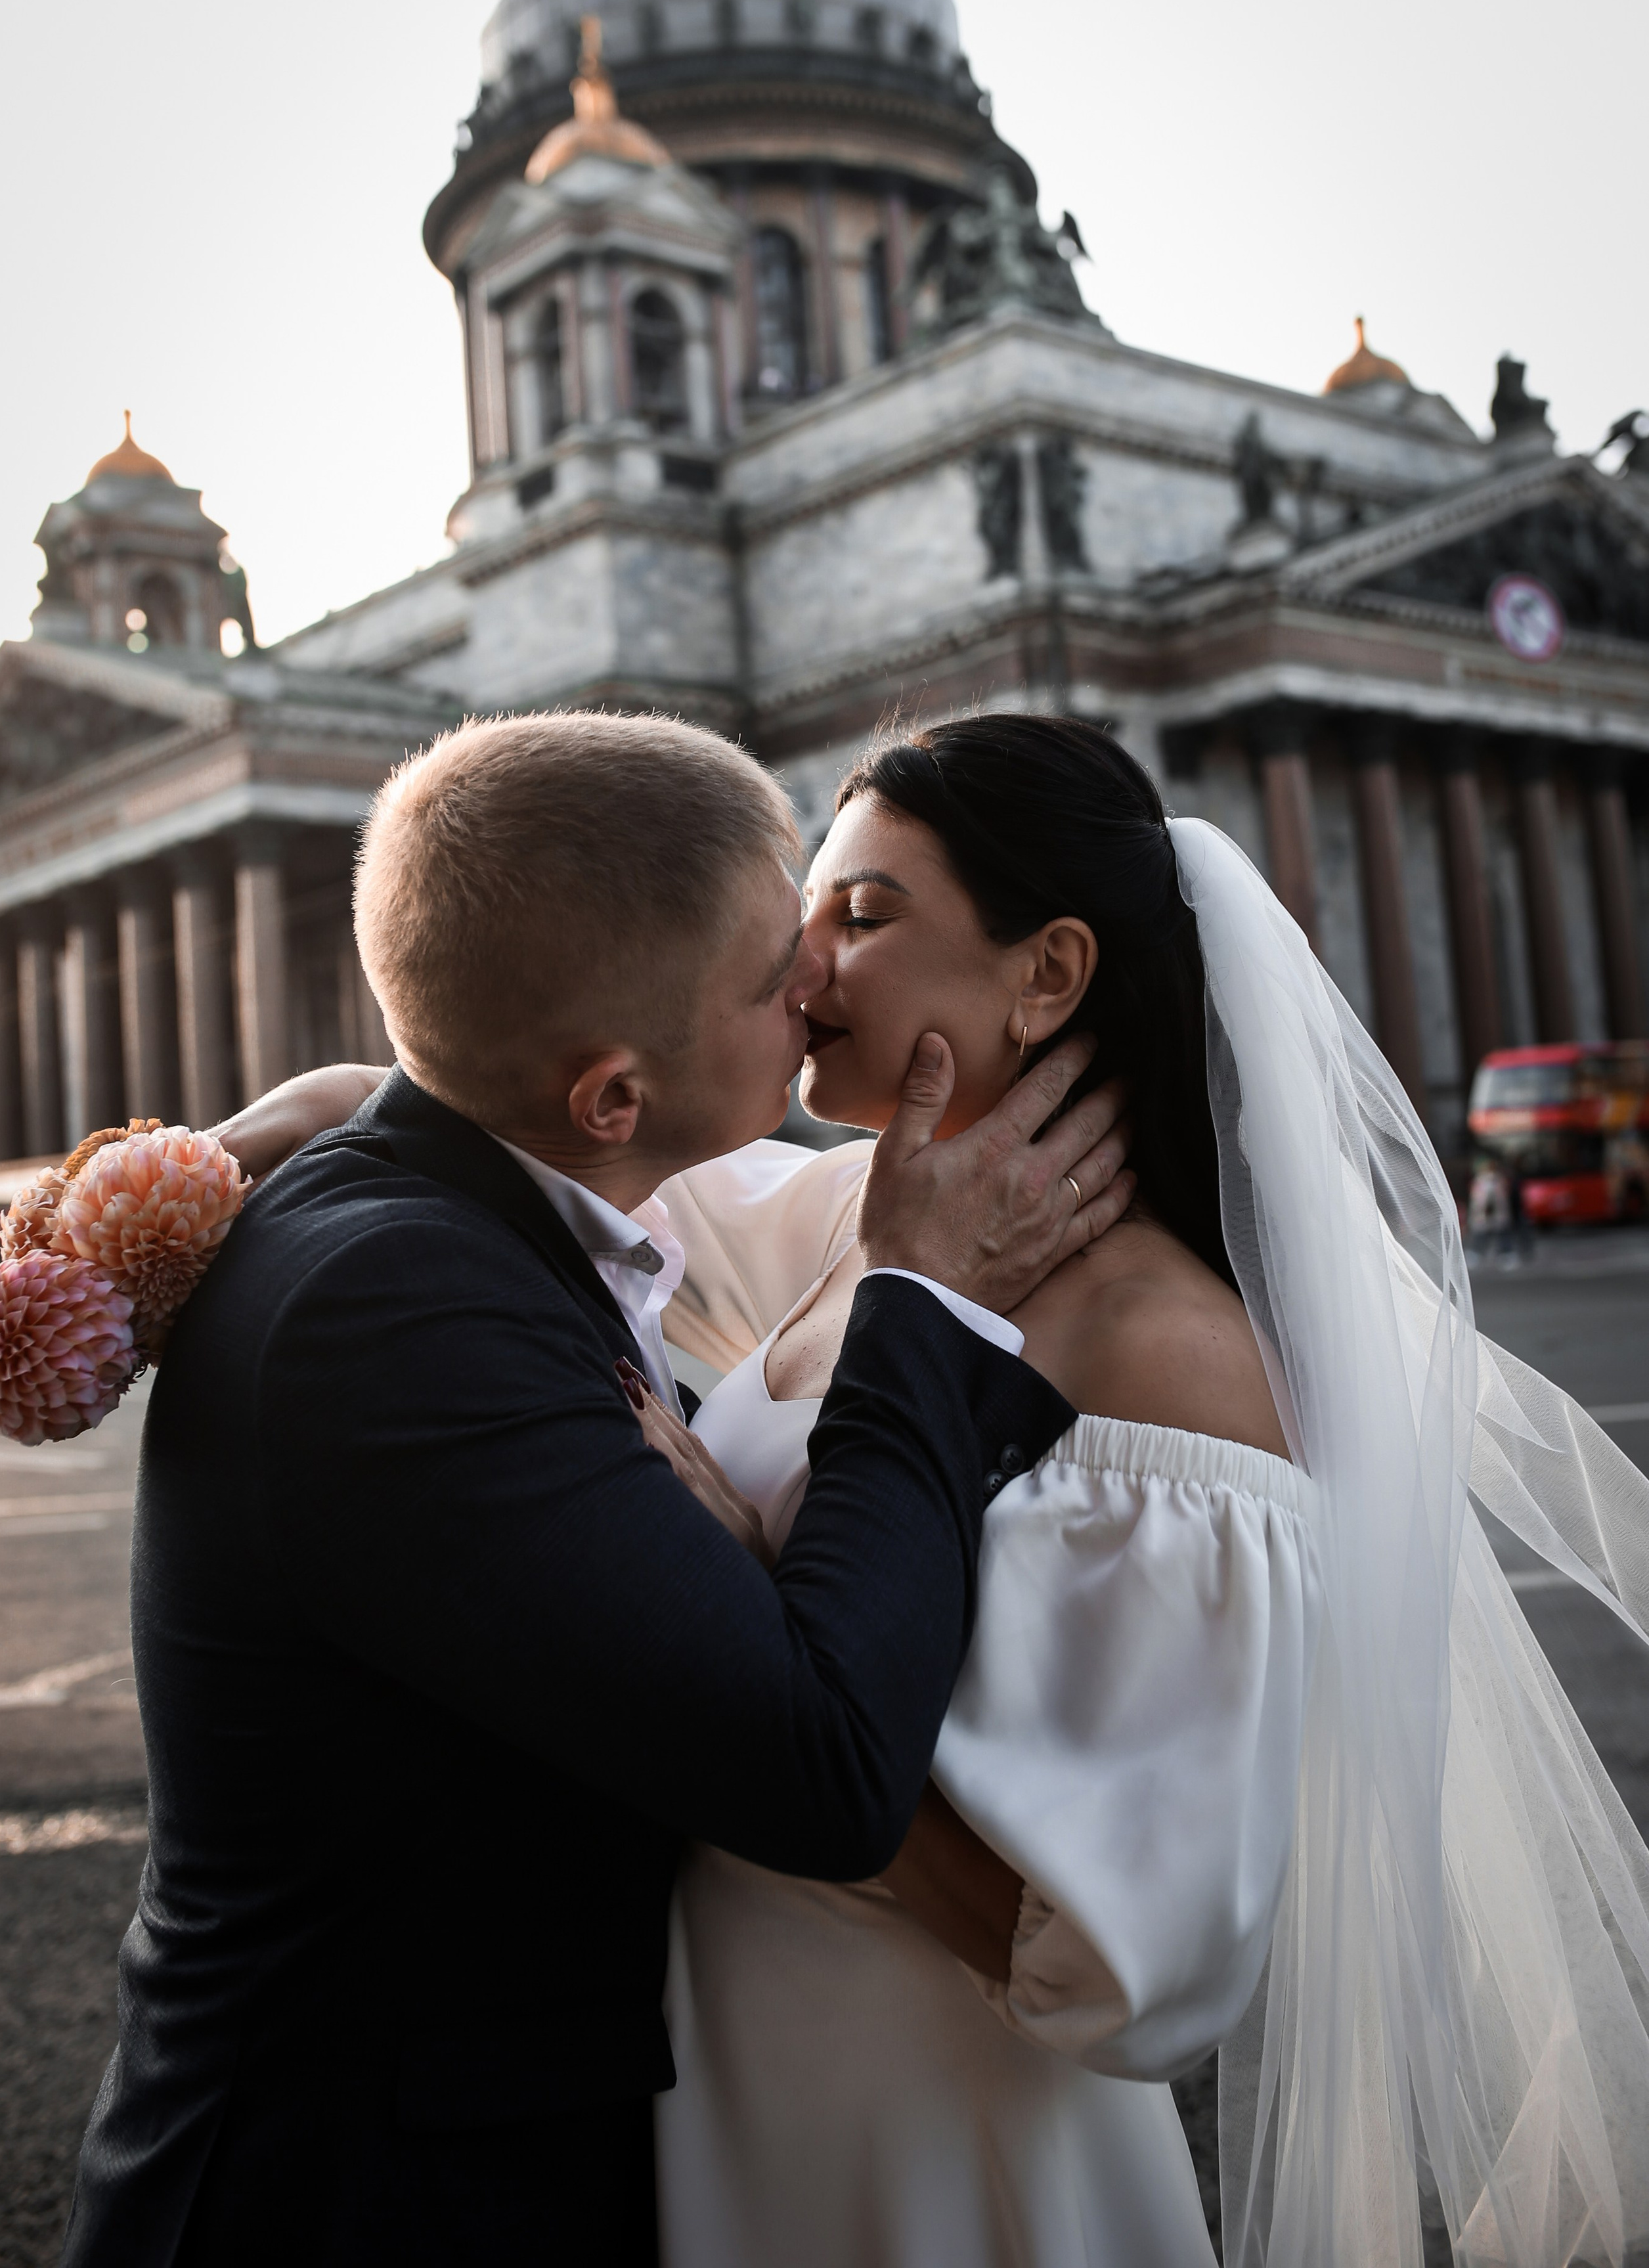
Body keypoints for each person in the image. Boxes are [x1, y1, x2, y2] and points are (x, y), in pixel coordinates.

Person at [215, 715, 1649, 2267]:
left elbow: (1119, 1969)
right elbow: (570, 1105)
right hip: (723, 2077)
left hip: (929, 2136)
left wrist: (755, 1638)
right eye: (802, 917)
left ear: (1044, 975)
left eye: (862, 916)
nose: (801, 971)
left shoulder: (1162, 1355)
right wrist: (218, 1157)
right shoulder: (872, 1211)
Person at [61, 712, 1137, 2268]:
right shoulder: (397, 1308)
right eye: (777, 975)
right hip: (360, 2206)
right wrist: (920, 1296)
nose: (818, 989)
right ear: (615, 1100)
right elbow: (826, 1770)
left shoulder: (454, 1198)